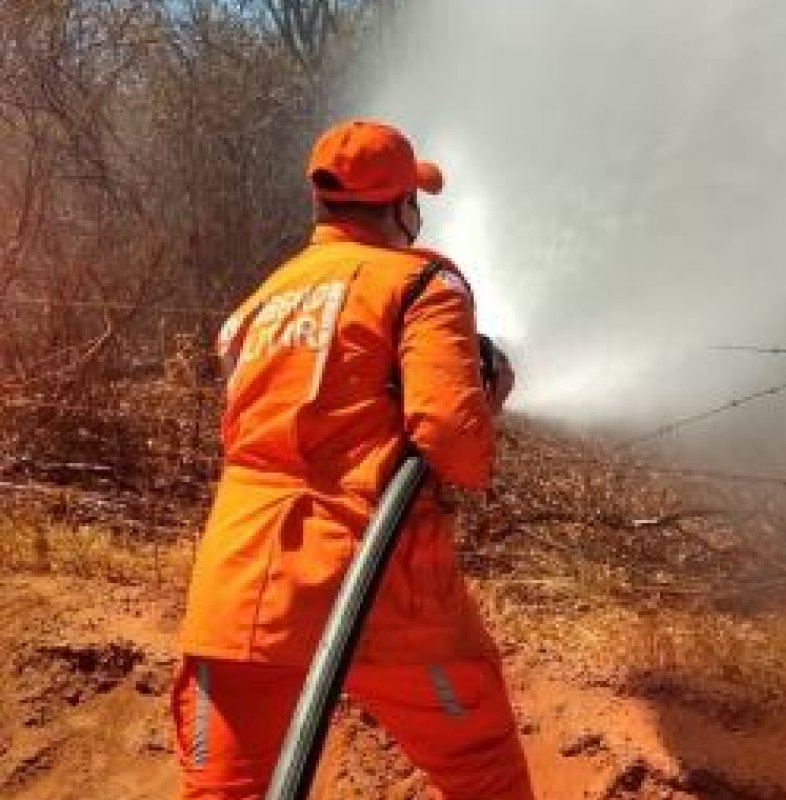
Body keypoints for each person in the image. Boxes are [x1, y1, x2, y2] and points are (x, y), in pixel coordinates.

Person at [171, 119, 531, 800]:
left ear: (322, 202)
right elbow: (454, 445)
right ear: (401, 207)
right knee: (484, 774)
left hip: (238, 594)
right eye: (414, 201)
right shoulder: (421, 282)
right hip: (378, 590)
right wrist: (488, 399)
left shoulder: (259, 303)